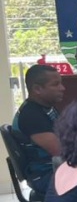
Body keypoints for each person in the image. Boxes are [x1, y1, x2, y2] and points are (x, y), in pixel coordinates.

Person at [12, 64, 65, 194]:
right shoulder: (31, 115)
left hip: (56, 170)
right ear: (37, 89)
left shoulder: (46, 108)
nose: (62, 88)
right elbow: (61, 150)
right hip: (45, 176)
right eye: (56, 84)